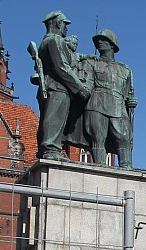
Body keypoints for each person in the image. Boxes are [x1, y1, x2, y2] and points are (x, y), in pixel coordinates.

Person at [36, 10, 91, 161]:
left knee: (48, 117)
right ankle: (51, 149)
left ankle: (45, 149)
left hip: (49, 86)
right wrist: (80, 88)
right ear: (58, 23)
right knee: (54, 118)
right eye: (65, 24)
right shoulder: (55, 40)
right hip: (57, 87)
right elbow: (62, 67)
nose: (66, 28)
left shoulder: (45, 42)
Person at [81, 29, 136, 168]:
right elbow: (85, 84)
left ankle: (126, 166)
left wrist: (131, 101)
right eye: (97, 40)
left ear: (112, 45)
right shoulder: (91, 63)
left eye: (103, 40)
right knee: (98, 138)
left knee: (124, 137)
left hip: (118, 105)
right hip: (96, 103)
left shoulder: (125, 70)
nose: (99, 42)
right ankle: (100, 167)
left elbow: (128, 93)